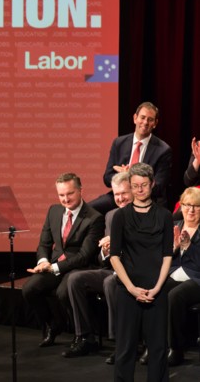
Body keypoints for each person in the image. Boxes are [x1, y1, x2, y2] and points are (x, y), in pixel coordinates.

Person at [21, 172, 105, 347]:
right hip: (54, 264)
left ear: (81, 191)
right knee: (29, 289)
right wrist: (43, 261)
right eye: (61, 195)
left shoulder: (94, 217)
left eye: (70, 193)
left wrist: (54, 268)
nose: (65, 199)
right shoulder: (54, 210)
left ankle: (81, 335)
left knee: (63, 292)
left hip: (78, 267)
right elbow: (44, 243)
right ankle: (53, 324)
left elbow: (85, 256)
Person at [110, 163, 173, 382]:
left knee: (157, 347)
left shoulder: (165, 216)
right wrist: (130, 288)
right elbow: (114, 256)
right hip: (128, 289)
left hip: (156, 288)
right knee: (125, 347)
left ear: (152, 184)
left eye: (144, 185)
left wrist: (156, 288)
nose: (139, 190)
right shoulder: (121, 216)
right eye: (135, 186)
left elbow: (167, 255)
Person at [62, 172, 133, 359]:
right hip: (112, 268)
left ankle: (122, 344)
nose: (120, 198)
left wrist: (119, 244)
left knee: (111, 282)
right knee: (75, 279)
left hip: (133, 271)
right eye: (117, 194)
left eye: (124, 193)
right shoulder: (110, 215)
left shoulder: (144, 214)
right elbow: (102, 259)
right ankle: (86, 337)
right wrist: (106, 251)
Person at [89, 102, 172, 215]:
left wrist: (130, 176)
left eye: (150, 119)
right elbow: (107, 178)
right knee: (89, 210)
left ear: (155, 123)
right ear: (135, 118)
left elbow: (158, 187)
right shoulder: (119, 143)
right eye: (142, 117)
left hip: (146, 199)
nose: (145, 122)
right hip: (121, 195)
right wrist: (121, 178)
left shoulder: (163, 150)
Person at [163, 187, 200, 366]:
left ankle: (176, 350)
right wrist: (172, 249)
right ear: (181, 206)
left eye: (196, 206)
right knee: (155, 290)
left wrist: (188, 247)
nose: (191, 210)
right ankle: (152, 345)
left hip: (197, 277)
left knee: (175, 295)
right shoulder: (174, 226)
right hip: (175, 273)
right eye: (187, 205)